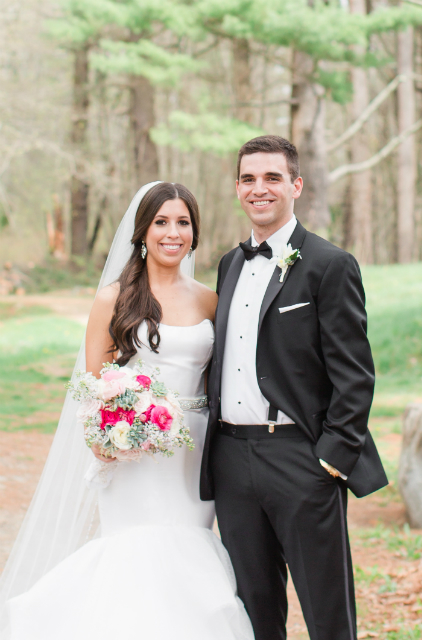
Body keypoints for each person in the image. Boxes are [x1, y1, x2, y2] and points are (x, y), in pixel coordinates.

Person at [0, 182, 255, 640]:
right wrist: (110, 438)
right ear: (142, 231)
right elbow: (92, 389)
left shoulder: (208, 300)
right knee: (136, 553)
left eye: (182, 222)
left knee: (188, 556)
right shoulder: (112, 299)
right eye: (161, 222)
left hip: (193, 454)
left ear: (194, 233)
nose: (172, 233)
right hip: (134, 454)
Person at [201, 135, 388, 640]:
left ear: (296, 185)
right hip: (232, 461)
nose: (258, 189)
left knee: (327, 614)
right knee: (255, 611)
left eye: (271, 178)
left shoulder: (330, 264)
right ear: (237, 188)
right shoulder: (229, 264)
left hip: (301, 459)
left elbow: (355, 374)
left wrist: (330, 458)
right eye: (248, 179)